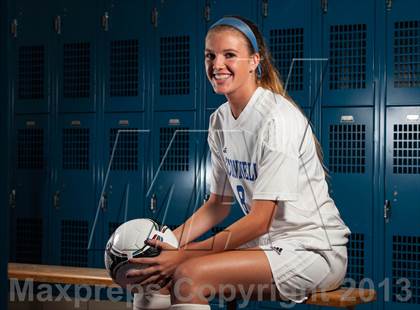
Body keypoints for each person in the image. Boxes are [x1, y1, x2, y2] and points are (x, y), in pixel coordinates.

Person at [128, 16, 351, 310]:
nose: (217, 65)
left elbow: (260, 219)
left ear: (254, 61)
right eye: (210, 56)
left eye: (229, 55)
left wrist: (186, 254)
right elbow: (218, 204)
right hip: (267, 246)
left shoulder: (276, 119)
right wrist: (165, 242)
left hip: (313, 250)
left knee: (188, 276)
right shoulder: (219, 120)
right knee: (158, 276)